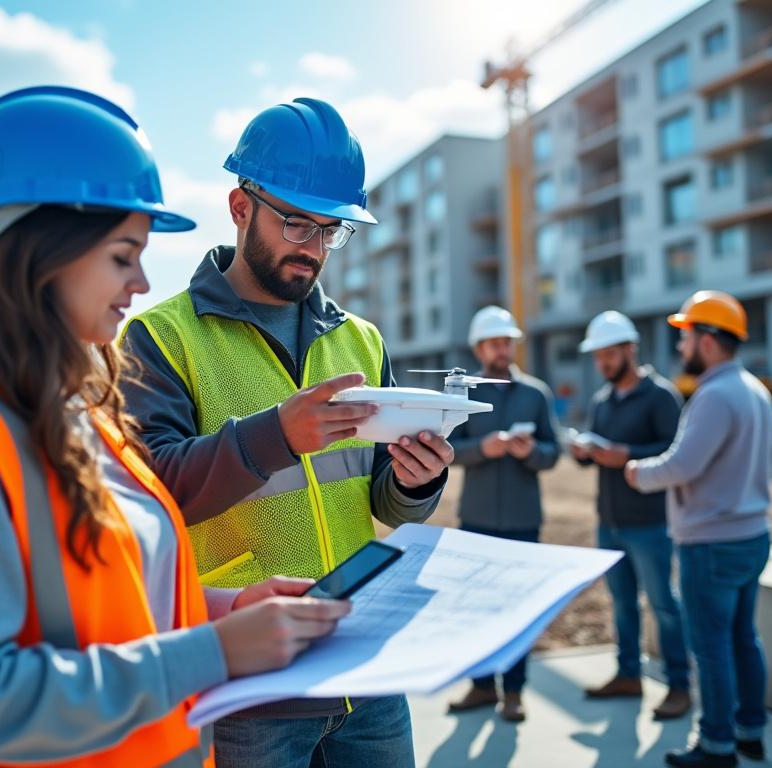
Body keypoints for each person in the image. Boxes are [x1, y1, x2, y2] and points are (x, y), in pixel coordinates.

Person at [0, 86, 350, 768]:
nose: (141, 283)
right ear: (43, 256)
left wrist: (229, 610)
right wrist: (215, 652)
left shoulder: (90, 418)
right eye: (123, 256)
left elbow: (123, 603)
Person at [120, 97, 452, 767]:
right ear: (241, 208)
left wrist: (420, 480)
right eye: (297, 223)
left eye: (332, 230)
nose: (314, 248)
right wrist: (274, 434)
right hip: (253, 677)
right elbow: (154, 500)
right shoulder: (160, 338)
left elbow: (380, 500)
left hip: (365, 666)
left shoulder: (360, 340)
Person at [624, 291, 772, 768]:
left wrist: (637, 472)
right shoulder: (756, 390)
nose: (681, 346)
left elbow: (683, 465)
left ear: (708, 340)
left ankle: (716, 745)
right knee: (743, 639)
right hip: (752, 535)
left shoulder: (714, 395)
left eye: (686, 336)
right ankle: (750, 732)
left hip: (711, 542)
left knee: (710, 648)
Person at [571, 311, 691, 721]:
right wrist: (585, 454)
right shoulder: (602, 400)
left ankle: (679, 685)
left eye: (608, 354)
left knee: (663, 605)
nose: (602, 363)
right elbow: (600, 456)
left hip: (652, 523)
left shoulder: (661, 397)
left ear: (630, 350)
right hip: (611, 521)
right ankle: (628, 675)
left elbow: (675, 453)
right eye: (597, 356)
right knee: (622, 605)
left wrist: (626, 454)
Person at [445, 306, 561, 723]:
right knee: (474, 607)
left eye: (507, 341)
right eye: (494, 342)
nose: (502, 348)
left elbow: (554, 453)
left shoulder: (537, 395)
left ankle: (513, 693)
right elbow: (447, 450)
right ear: (479, 347)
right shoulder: (464, 393)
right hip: (476, 519)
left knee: (518, 609)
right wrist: (483, 449)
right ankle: (480, 686)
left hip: (522, 520)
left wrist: (532, 453)